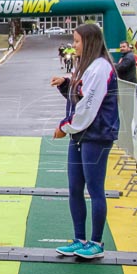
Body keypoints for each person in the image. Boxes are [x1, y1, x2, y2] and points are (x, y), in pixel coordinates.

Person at [50, 23, 120, 260]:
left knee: (95, 189)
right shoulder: (85, 66)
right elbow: (80, 95)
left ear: (89, 42)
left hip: (96, 135)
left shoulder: (101, 68)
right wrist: (65, 84)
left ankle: (96, 243)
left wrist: (64, 126)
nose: (74, 45)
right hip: (80, 136)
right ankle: (79, 239)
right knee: (74, 187)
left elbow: (88, 108)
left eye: (77, 41)